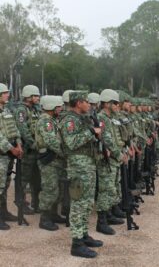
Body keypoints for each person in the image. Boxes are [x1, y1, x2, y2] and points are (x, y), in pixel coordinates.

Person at [59, 91, 102, 258]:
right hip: (78, 167)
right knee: (78, 204)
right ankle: (76, 244)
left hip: (88, 165)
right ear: (78, 103)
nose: (89, 104)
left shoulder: (82, 119)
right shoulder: (69, 120)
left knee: (88, 202)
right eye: (86, 102)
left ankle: (83, 235)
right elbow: (71, 143)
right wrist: (91, 132)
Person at [96, 89, 127, 235]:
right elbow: (107, 139)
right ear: (107, 103)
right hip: (106, 159)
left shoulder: (110, 118)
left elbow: (117, 137)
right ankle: (101, 222)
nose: (117, 105)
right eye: (115, 103)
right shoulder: (101, 118)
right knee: (106, 189)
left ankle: (109, 214)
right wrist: (119, 154)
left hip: (114, 158)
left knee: (113, 186)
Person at [35, 96, 66, 231]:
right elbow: (51, 141)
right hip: (49, 159)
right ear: (52, 107)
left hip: (55, 159)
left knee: (57, 189)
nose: (61, 109)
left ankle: (53, 214)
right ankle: (45, 218)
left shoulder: (52, 120)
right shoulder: (45, 121)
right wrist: (65, 153)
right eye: (59, 107)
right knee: (49, 189)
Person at [14, 85, 41, 214]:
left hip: (36, 150)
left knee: (37, 179)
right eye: (35, 96)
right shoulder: (21, 110)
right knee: (23, 179)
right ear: (28, 97)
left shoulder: (36, 109)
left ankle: (36, 203)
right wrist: (33, 144)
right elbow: (23, 129)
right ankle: (21, 204)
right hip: (27, 150)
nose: (37, 98)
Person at [0, 83, 23, 230]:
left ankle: (4, 212)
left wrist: (19, 144)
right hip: (2, 153)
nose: (8, 95)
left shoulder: (7, 110)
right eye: (5, 93)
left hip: (9, 154)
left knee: (6, 184)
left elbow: (14, 129)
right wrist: (11, 148)